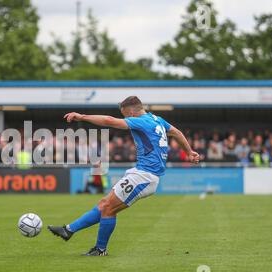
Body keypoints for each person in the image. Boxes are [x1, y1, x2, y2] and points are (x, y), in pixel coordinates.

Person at [48, 96, 200, 256]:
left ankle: (100, 249)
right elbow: (177, 133)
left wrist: (82, 117)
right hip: (142, 173)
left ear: (132, 113)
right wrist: (189, 152)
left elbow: (108, 121)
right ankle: (69, 230)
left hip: (145, 175)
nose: (125, 119)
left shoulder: (140, 121)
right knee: (105, 204)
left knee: (108, 208)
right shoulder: (157, 120)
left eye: (125, 115)